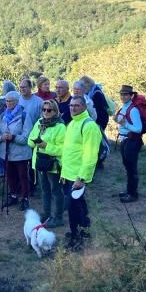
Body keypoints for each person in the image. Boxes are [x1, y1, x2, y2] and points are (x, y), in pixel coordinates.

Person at [60, 96, 102, 249]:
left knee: (73, 207)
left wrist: (81, 178)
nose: (73, 108)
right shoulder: (72, 123)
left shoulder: (89, 125)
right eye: (71, 105)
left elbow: (90, 156)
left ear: (84, 107)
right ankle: (82, 232)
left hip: (78, 176)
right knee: (78, 206)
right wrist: (63, 174)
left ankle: (76, 238)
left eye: (77, 106)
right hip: (68, 174)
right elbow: (69, 150)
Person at [28, 99, 66, 228]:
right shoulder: (39, 123)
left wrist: (46, 146)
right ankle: (46, 214)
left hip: (53, 164)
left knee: (56, 191)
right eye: (43, 109)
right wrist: (35, 141)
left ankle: (58, 217)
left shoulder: (60, 126)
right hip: (40, 162)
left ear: (55, 111)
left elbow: (62, 149)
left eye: (49, 110)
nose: (46, 112)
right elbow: (30, 140)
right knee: (44, 190)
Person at [0, 91, 33, 211]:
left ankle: (25, 198)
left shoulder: (24, 115)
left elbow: (27, 136)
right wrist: (1, 137)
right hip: (6, 152)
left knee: (23, 176)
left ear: (17, 101)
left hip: (21, 153)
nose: (8, 103)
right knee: (10, 175)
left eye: (10, 101)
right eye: (6, 101)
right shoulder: (2, 115)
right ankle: (13, 196)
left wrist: (13, 137)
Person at [114, 85, 143, 203]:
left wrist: (125, 124)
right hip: (125, 140)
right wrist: (117, 120)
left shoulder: (133, 110)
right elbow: (122, 122)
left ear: (131, 96)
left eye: (126, 94)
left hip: (132, 141)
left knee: (131, 168)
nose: (123, 96)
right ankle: (129, 191)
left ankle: (133, 194)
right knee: (128, 166)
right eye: (122, 94)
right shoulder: (124, 108)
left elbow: (138, 128)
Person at [19, 78, 43, 194]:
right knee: (22, 162)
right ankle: (21, 185)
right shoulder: (17, 100)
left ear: (30, 88)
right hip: (20, 137)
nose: (22, 89)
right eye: (20, 87)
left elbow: (42, 119)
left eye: (24, 87)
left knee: (33, 162)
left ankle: (33, 185)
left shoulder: (38, 101)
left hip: (34, 136)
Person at [0, 80, 17, 177]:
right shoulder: (17, 99)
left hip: (1, 127)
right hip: (15, 127)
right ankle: (10, 169)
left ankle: (1, 170)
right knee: (12, 148)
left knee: (1, 148)